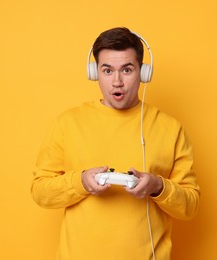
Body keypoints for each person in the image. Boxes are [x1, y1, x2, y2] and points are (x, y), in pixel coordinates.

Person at [31, 27, 200, 260]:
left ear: (143, 72)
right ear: (94, 72)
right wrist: (80, 182)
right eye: (107, 70)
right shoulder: (67, 123)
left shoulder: (170, 128)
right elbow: (40, 192)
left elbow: (190, 206)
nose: (117, 81)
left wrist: (158, 187)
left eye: (127, 70)